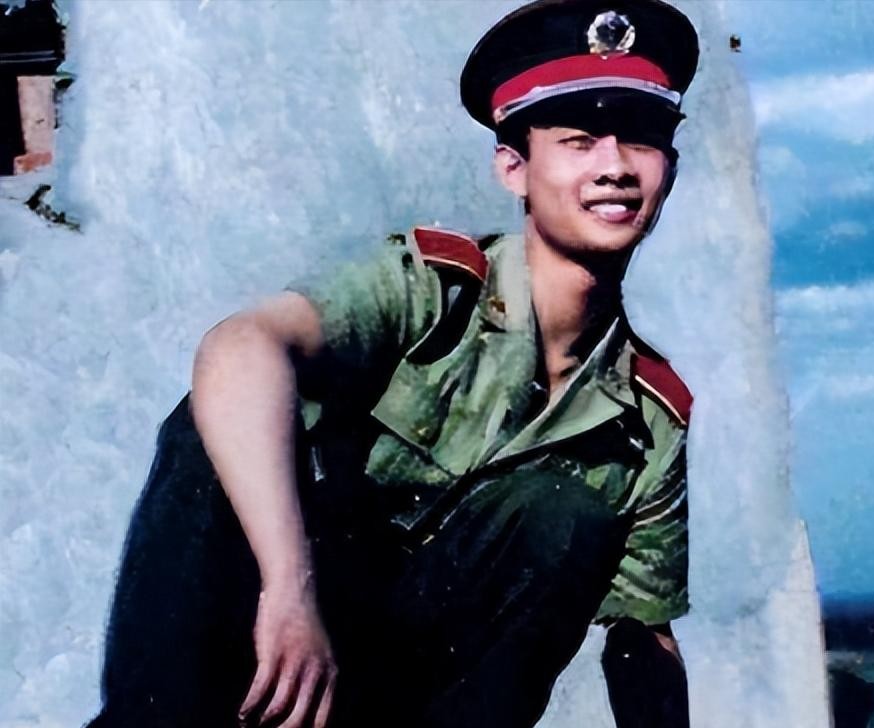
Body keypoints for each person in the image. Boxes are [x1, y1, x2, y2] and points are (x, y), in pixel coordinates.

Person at [88, 1, 701, 726]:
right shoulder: (428, 291)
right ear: (514, 168)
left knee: (569, 513)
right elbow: (239, 346)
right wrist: (289, 587)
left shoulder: (648, 418)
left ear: (669, 168)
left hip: (397, 703)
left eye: (642, 140)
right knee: (220, 419)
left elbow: (643, 636)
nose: (615, 168)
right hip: (257, 657)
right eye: (579, 141)